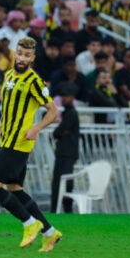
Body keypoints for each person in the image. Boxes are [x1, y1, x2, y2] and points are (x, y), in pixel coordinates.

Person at [0, 37, 61, 252]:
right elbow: (8, 103)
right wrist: (1, 122)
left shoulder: (34, 81)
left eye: (27, 55)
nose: (22, 58)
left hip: (19, 142)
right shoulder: (8, 75)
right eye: (19, 53)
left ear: (32, 58)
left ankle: (29, 223)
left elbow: (53, 111)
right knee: (15, 189)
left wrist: (37, 128)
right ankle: (50, 232)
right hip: (7, 139)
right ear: (15, 53)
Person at [51, 85, 80, 213]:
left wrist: (61, 131)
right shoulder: (68, 112)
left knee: (64, 183)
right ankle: (58, 209)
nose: (64, 99)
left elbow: (57, 132)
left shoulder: (71, 113)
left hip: (68, 153)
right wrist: (61, 132)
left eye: (66, 96)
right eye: (62, 96)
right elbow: (59, 132)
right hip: (64, 152)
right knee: (59, 182)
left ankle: (62, 209)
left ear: (72, 97)